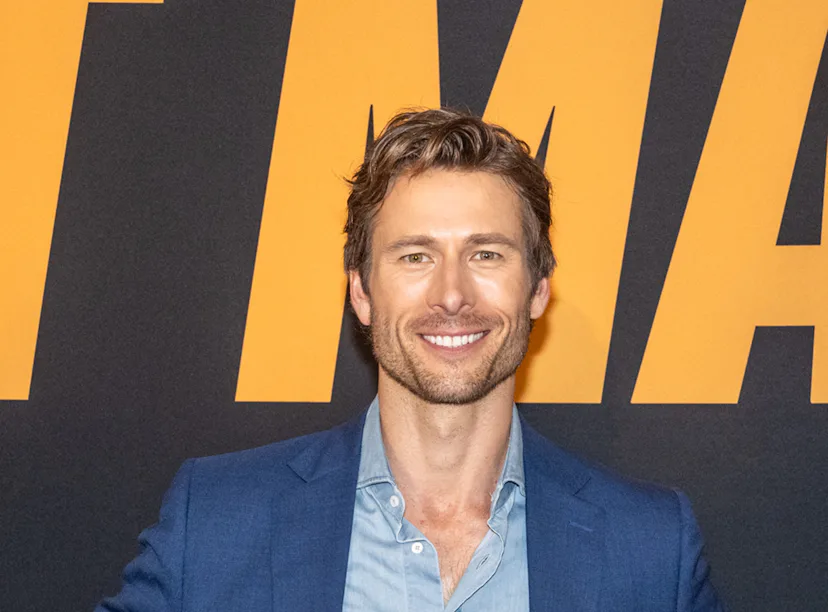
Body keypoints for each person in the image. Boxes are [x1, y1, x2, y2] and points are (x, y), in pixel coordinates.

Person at [97, 108, 725, 611]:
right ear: (362, 291)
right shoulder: (215, 521)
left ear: (538, 288)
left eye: (487, 254)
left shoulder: (650, 547)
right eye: (415, 256)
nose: (451, 295)